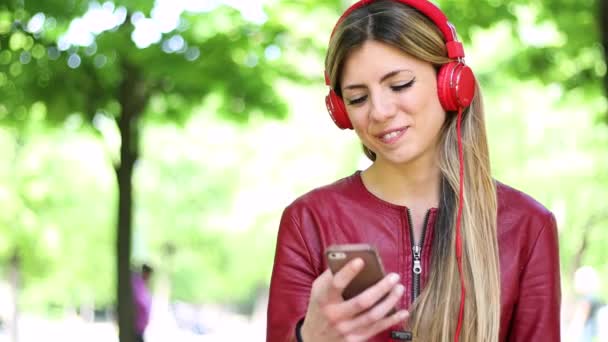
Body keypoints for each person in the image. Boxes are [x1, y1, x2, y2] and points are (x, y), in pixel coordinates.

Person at [266, 1, 561, 341]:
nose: (380, 111)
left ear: (451, 84)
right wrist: (309, 338)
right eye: (358, 98)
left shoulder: (526, 225)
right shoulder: (309, 220)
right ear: (341, 111)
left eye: (400, 84)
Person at [132, 263, 154, 342]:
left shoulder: (142, 285)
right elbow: (140, 302)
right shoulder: (137, 283)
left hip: (140, 327)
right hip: (136, 326)